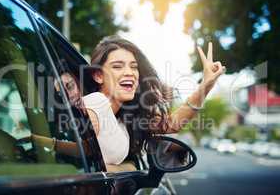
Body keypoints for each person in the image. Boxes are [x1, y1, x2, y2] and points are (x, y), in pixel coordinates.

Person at [33, 35, 225, 172]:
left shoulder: (123, 118)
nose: (129, 72)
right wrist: (122, 169)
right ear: (98, 75)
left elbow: (90, 149)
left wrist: (206, 85)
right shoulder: (97, 102)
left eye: (133, 67)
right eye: (117, 66)